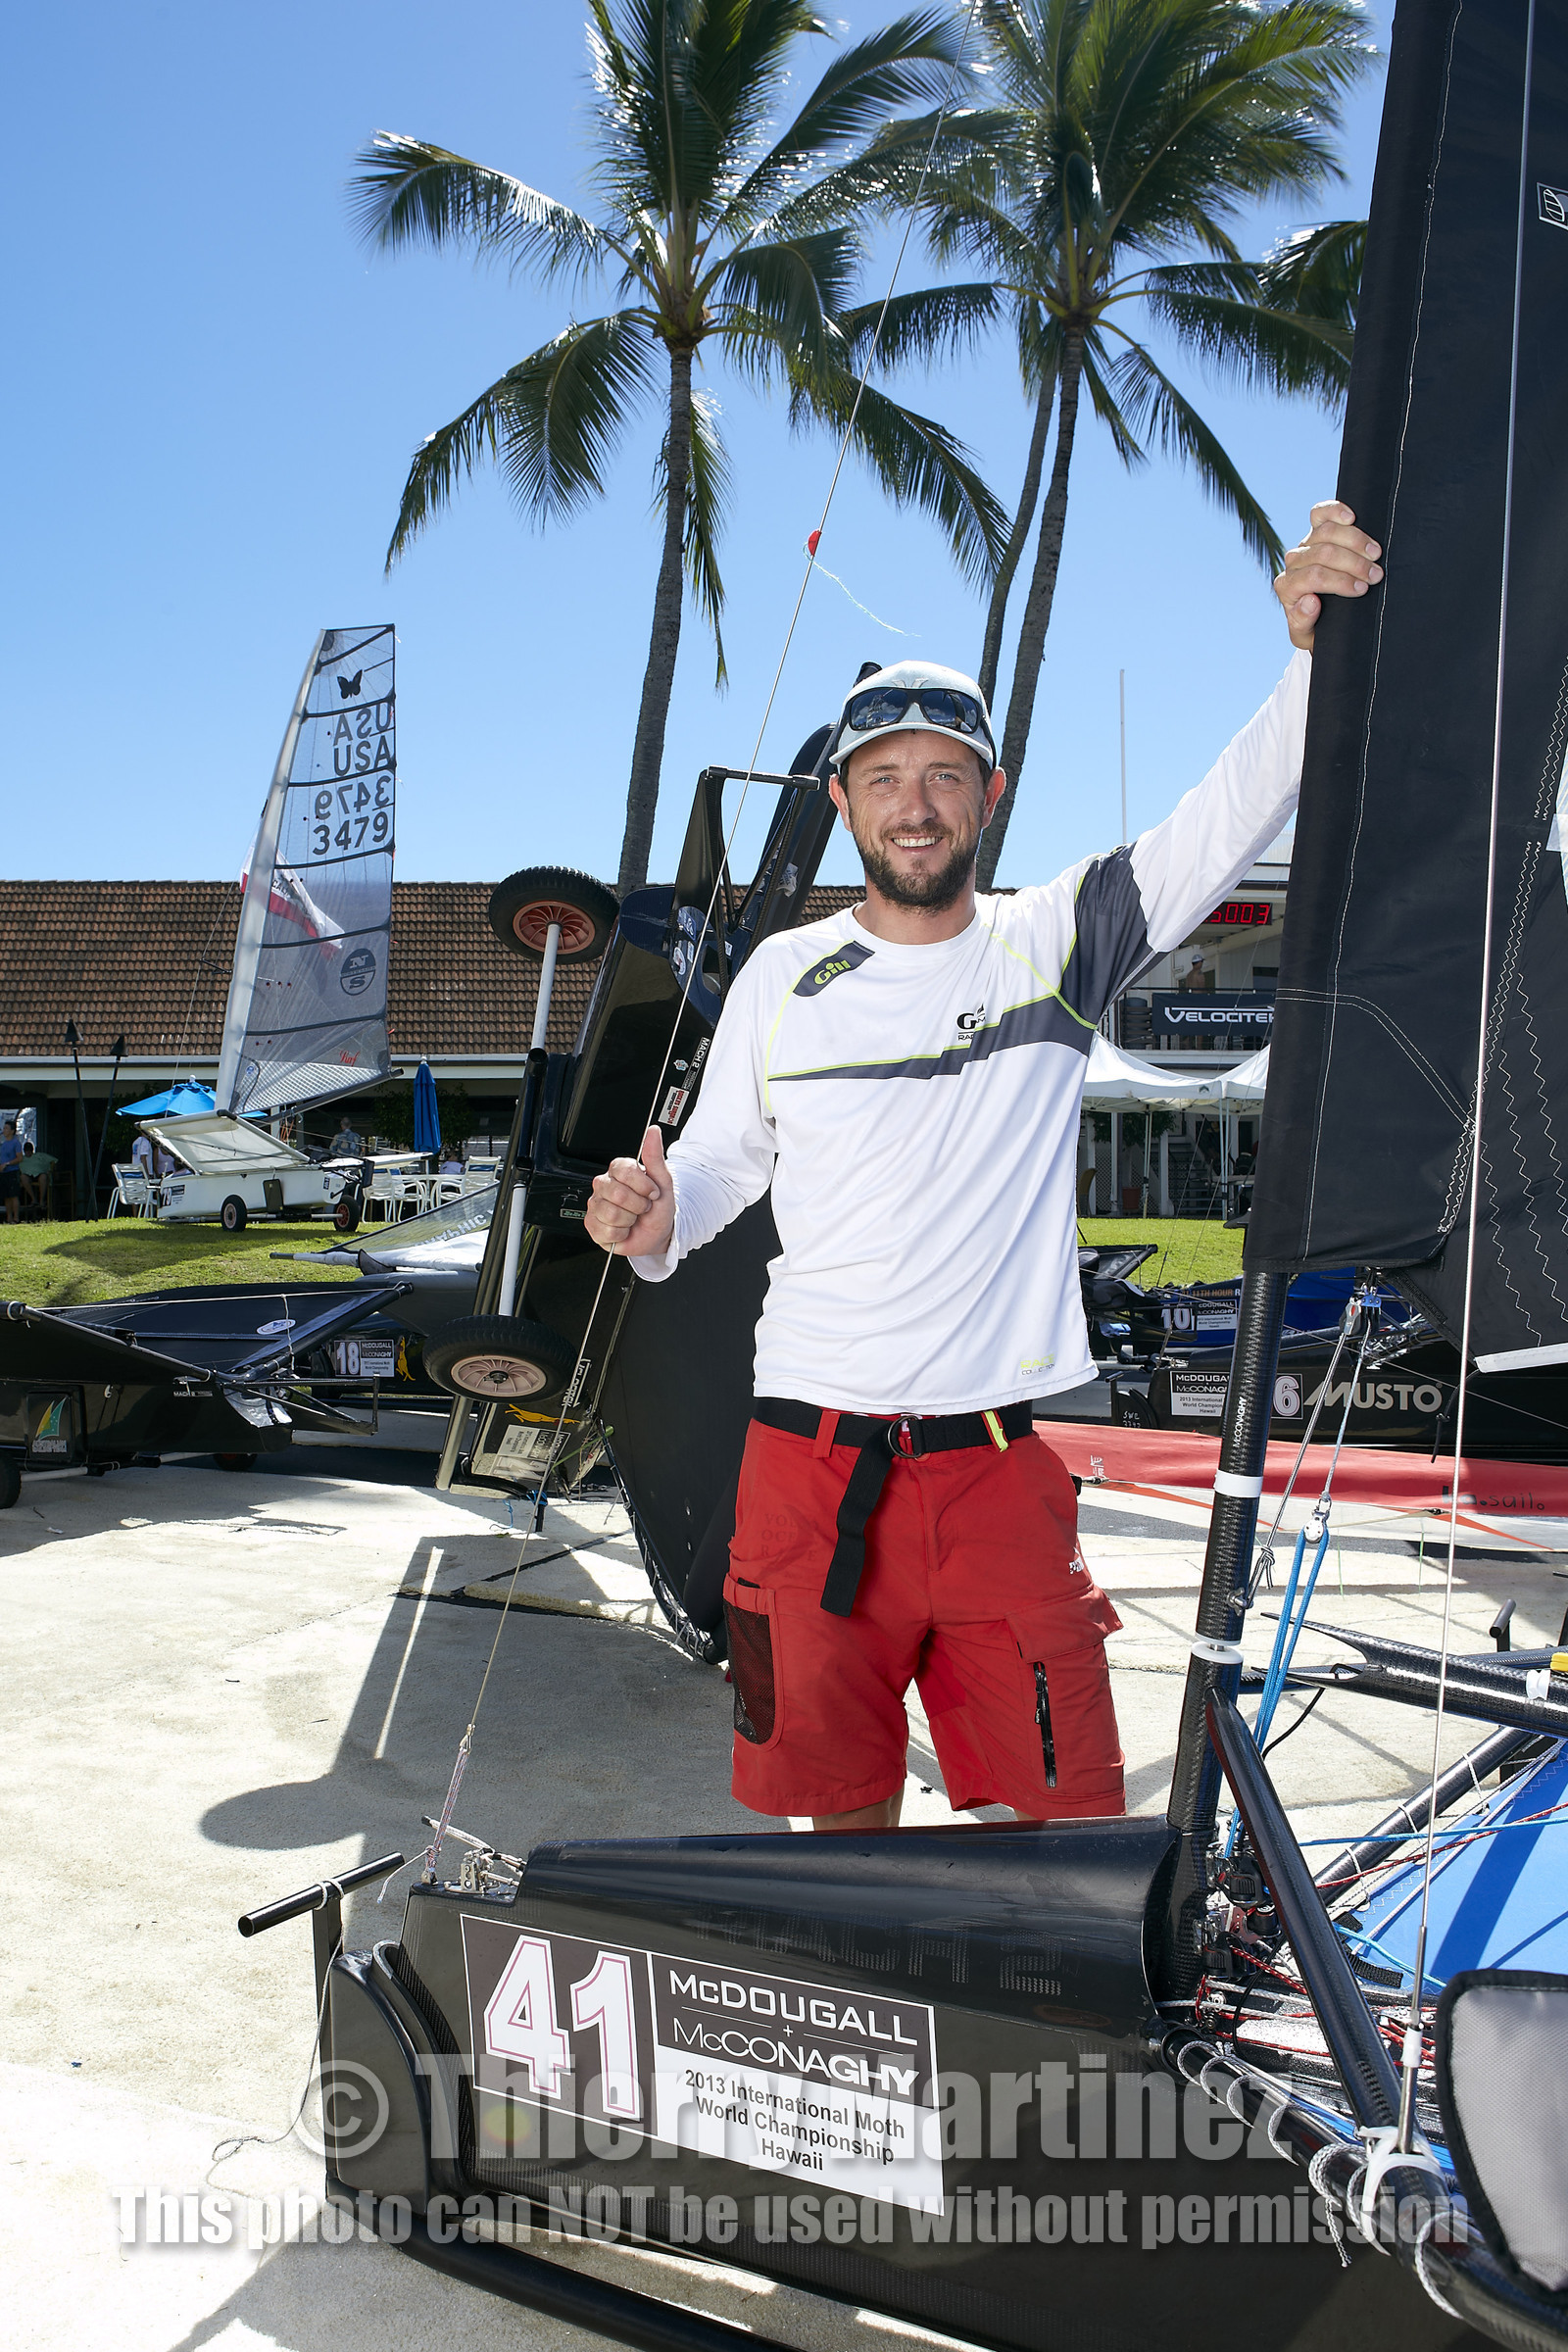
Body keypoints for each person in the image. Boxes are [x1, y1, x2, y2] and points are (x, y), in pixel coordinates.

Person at [586, 502, 1381, 1834]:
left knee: (1059, 1838)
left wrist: (1312, 658)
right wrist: (658, 1217)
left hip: (1005, 1476)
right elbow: (719, 1170)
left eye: (946, 774)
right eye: (885, 776)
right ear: (840, 802)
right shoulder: (783, 975)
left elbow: (1224, 819)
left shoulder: (1051, 942)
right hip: (805, 1466)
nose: (916, 803)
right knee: (830, 1836)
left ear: (989, 797)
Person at [0, 1121, 22, 1223]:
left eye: (6, 1128)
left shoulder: (16, 1143)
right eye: (4, 1128)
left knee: (14, 1195)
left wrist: (7, 1164)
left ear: (12, 1131)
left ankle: (16, 1218)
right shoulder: (3, 1144)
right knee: (6, 1196)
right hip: (3, 1173)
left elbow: (19, 1158)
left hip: (12, 1172)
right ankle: (8, 1218)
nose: (4, 1130)